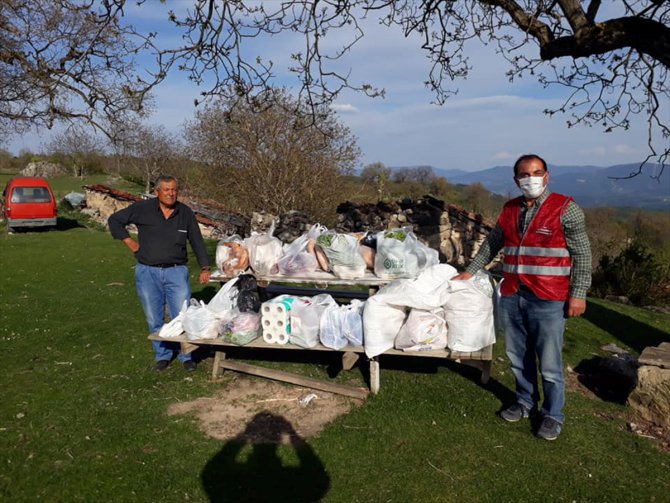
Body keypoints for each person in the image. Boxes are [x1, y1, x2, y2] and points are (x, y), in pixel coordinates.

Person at [452, 154, 591, 441]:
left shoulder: (566, 209)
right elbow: (491, 245)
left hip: (549, 298)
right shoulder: (509, 210)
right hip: (514, 294)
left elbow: (583, 256)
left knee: (550, 363)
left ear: (547, 175)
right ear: (517, 180)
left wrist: (578, 295)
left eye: (537, 172)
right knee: (517, 357)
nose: (531, 179)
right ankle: (525, 402)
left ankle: (553, 415)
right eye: (525, 175)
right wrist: (469, 271)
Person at [108, 175, 212, 372]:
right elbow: (114, 220)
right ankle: (162, 355)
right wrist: (129, 242)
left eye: (174, 190)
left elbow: (197, 240)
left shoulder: (185, 213)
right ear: (157, 192)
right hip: (148, 272)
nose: (171, 193)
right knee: (153, 317)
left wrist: (205, 266)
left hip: (176, 272)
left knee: (182, 315)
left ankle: (186, 355)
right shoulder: (142, 209)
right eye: (166, 190)